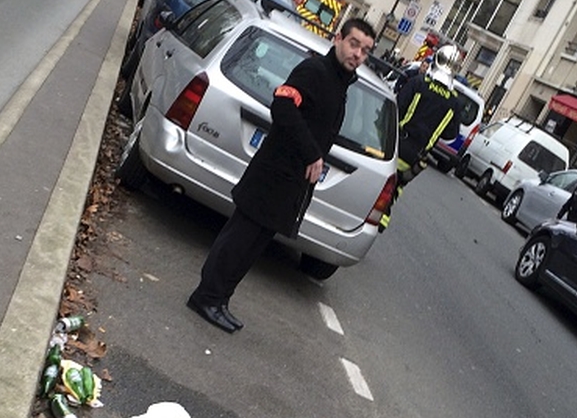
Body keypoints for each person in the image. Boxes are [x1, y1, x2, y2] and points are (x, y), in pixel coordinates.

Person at [186, 17, 376, 332]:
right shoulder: (315, 72)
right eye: (354, 44)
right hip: (272, 175)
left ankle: (220, 299)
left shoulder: (340, 85)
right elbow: (283, 105)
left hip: (291, 186)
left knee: (253, 246)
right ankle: (205, 295)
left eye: (365, 50)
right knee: (239, 239)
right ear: (338, 38)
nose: (358, 54)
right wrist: (311, 153)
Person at [379, 44, 462, 232]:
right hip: (417, 156)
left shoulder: (419, 83)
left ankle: (374, 215)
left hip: (397, 143)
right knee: (397, 186)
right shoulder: (454, 102)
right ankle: (383, 218)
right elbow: (451, 134)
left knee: (380, 181)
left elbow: (397, 106)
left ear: (436, 60)